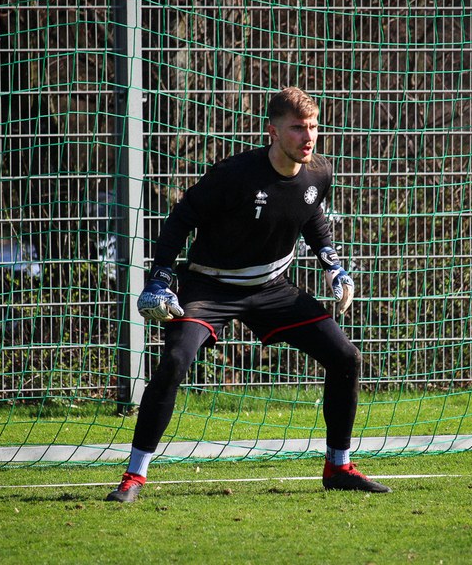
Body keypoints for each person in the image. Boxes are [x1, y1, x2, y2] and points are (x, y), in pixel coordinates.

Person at [106, 87, 391, 502]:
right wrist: (160, 278)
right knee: (175, 362)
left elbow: (310, 212)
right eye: (297, 128)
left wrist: (333, 264)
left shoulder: (318, 173)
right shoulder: (234, 174)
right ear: (272, 131)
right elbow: (182, 216)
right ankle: (134, 476)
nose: (308, 137)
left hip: (272, 288)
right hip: (210, 288)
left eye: (313, 127)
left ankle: (339, 467)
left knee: (345, 356)